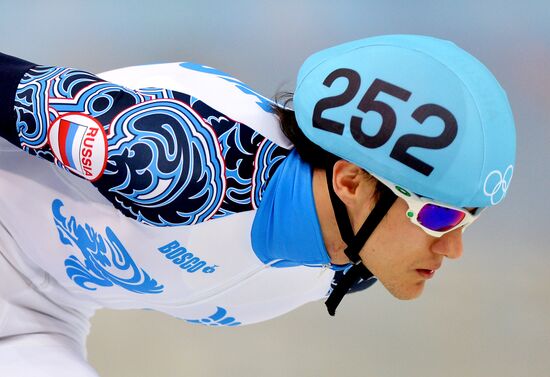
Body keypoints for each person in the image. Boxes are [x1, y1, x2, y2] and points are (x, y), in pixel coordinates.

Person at [0, 34, 515, 376]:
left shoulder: (359, 259)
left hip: (40, 318)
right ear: (352, 181)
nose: (453, 248)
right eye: (438, 215)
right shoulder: (184, 158)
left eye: (470, 218)